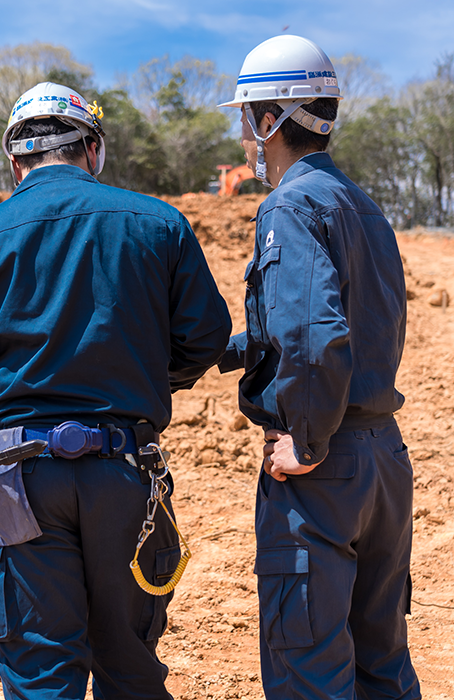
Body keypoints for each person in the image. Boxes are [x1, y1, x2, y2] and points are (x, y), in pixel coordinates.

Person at [0, 82, 231, 700]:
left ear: (14, 160)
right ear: (92, 148)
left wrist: (11, 401)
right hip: (125, 471)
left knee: (39, 678)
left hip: (19, 480)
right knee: (130, 671)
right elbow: (205, 340)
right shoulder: (159, 224)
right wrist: (134, 379)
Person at [218, 35, 421, 700]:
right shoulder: (362, 206)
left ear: (270, 119)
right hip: (382, 460)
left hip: (322, 466)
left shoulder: (288, 205)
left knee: (308, 670)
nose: (245, 130)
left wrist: (303, 439)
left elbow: (312, 332)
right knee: (380, 663)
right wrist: (229, 350)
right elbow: (356, 324)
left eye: (248, 114)